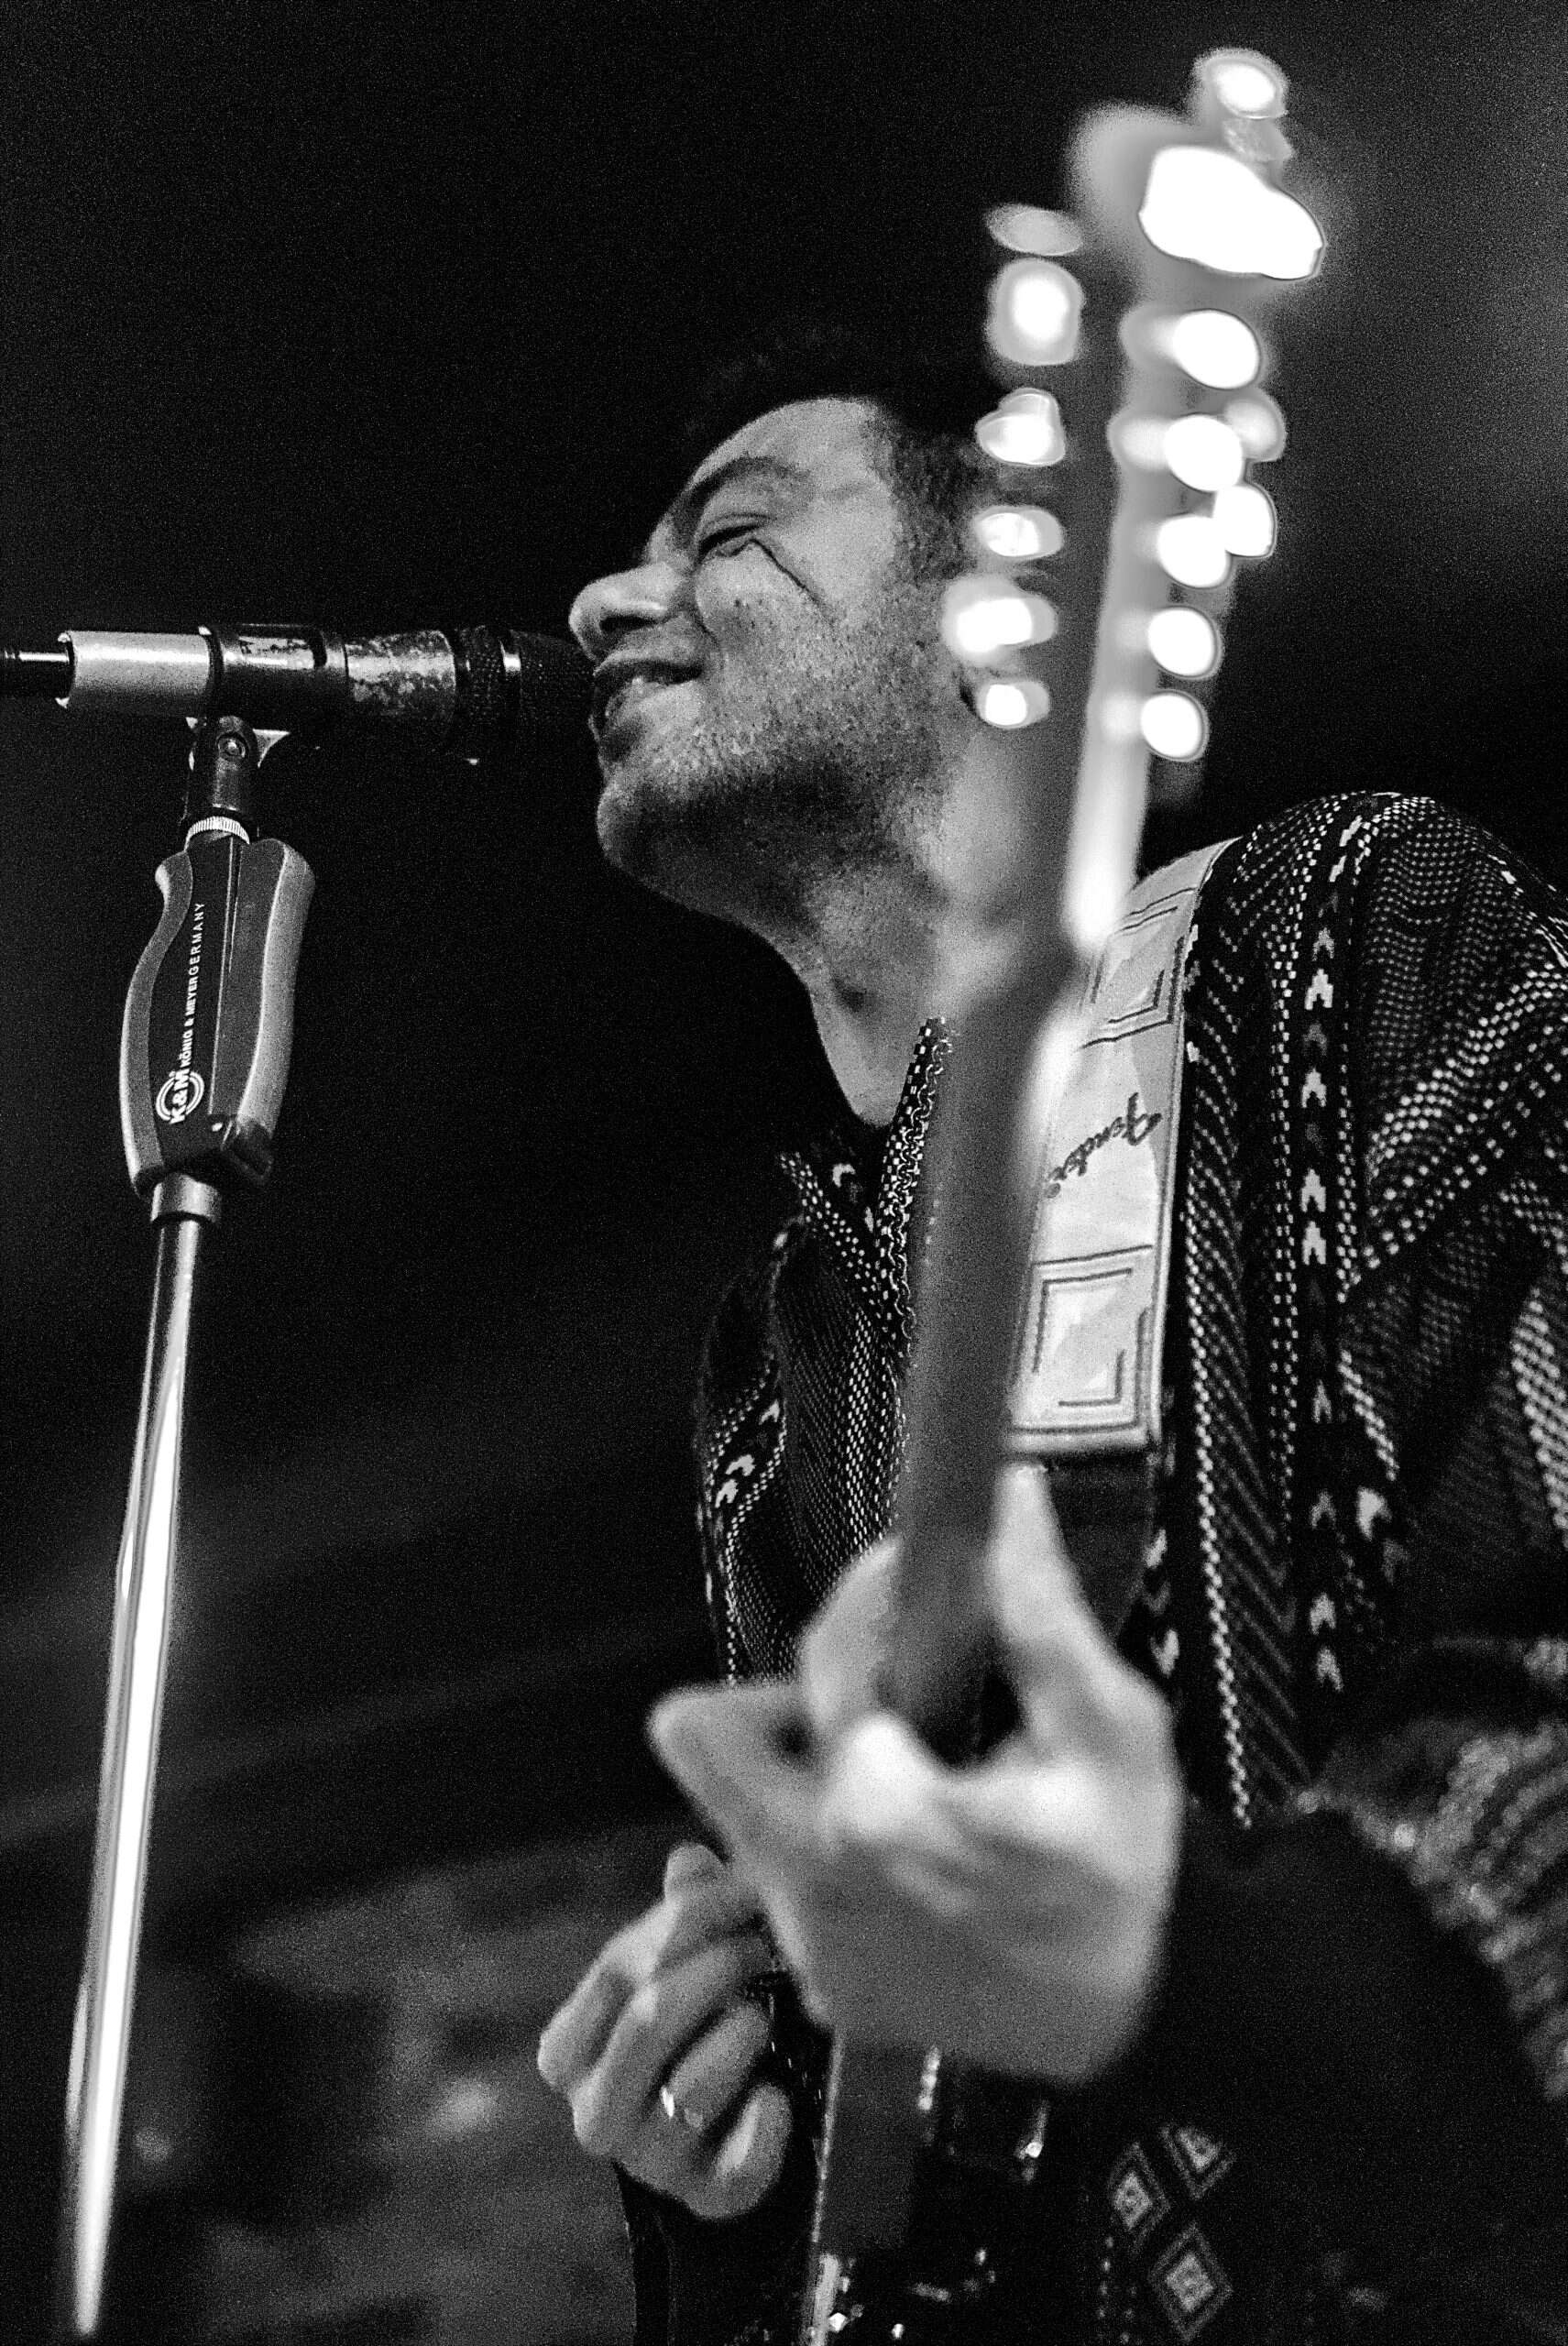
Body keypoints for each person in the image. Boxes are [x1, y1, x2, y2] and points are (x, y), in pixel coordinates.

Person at [536, 316, 1568, 2344]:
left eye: (733, 531)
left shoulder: (1351, 922)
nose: (597, 603)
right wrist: (724, 2168)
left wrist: (1180, 1959)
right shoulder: (767, 1360)